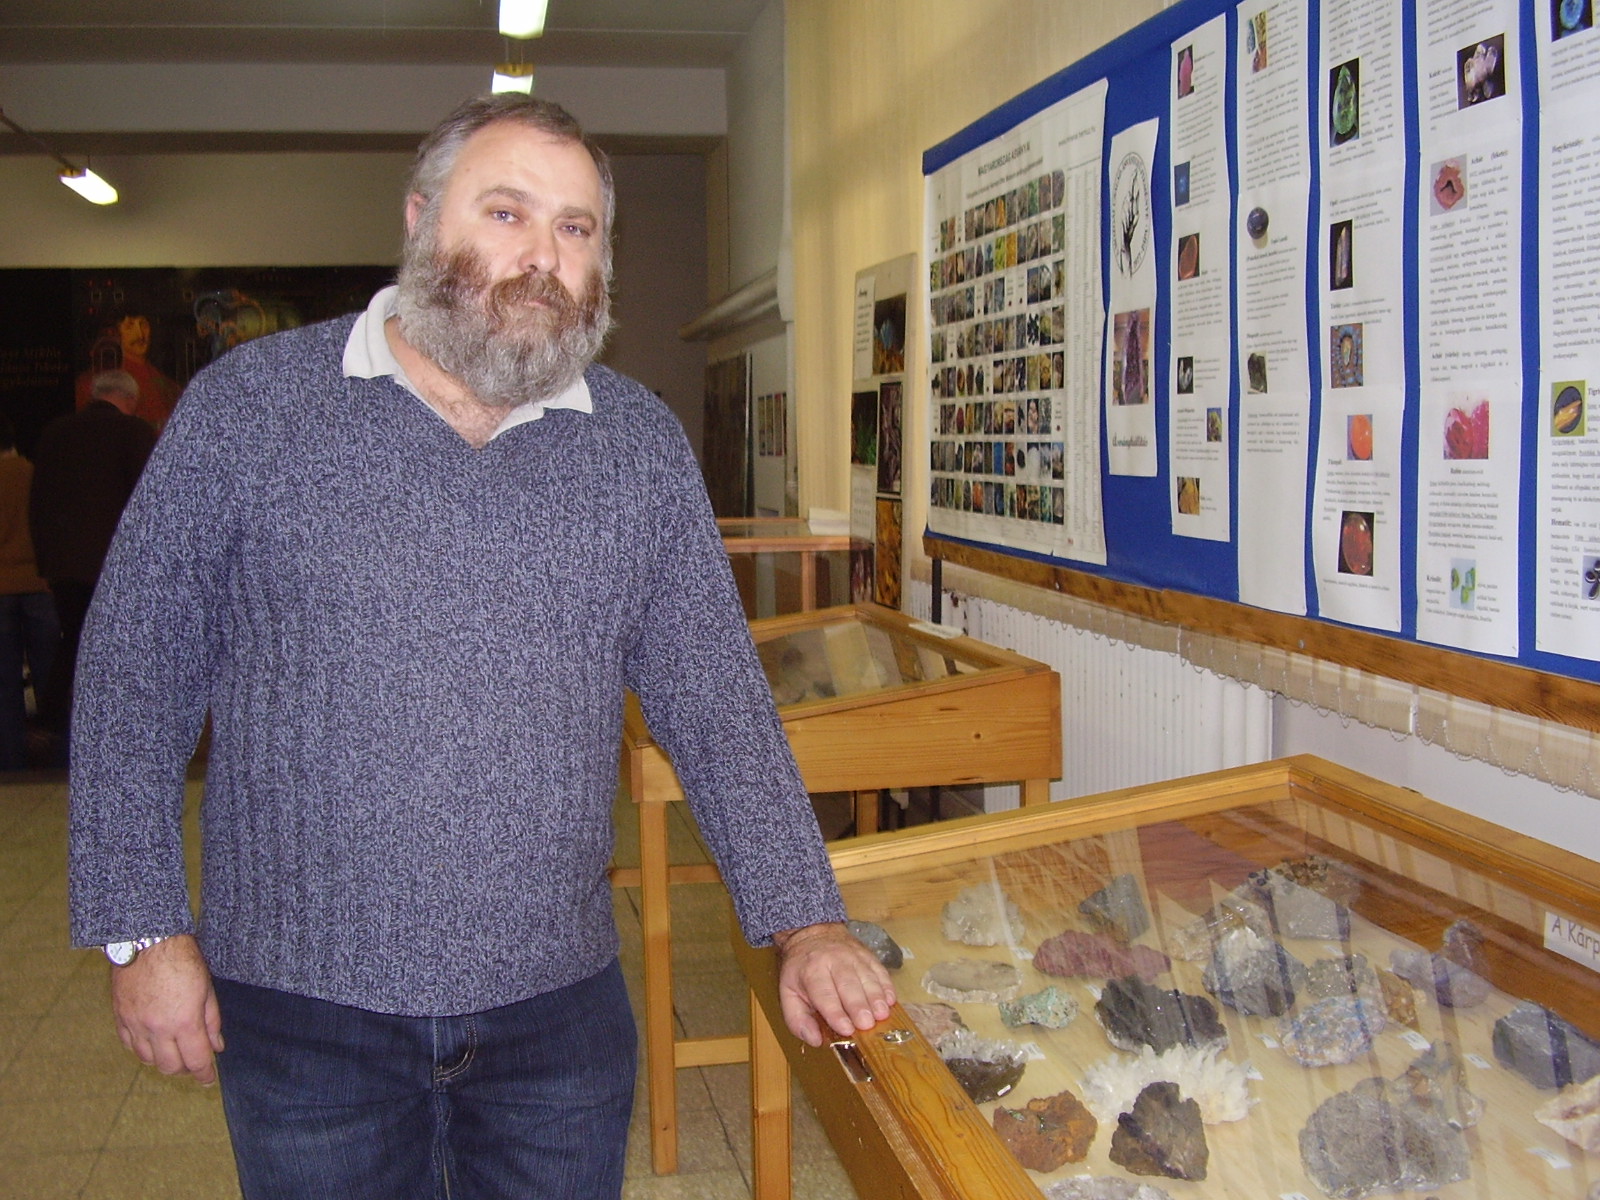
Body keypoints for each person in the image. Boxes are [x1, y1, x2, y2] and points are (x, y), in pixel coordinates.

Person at [67, 94, 894, 1200]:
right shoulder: (251, 412)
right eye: (506, 212)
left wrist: (807, 923)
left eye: (575, 227)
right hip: (306, 1014)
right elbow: (133, 674)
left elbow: (716, 704)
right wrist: (139, 931)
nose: (542, 254)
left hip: (555, 1015)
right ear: (421, 219)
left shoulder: (634, 446)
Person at [29, 368, 156, 744]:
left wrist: (46, 563)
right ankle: (117, 731)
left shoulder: (54, 433)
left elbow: (38, 502)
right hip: (116, 566)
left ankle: (53, 721)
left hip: (64, 566)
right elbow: (147, 501)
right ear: (129, 400)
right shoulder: (134, 432)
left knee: (75, 640)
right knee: (122, 648)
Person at [0, 415, 58, 769]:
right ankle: (59, 758)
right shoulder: (36, 474)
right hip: (39, 584)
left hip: (1, 588)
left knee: (5, 681)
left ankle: (11, 761)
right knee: (49, 676)